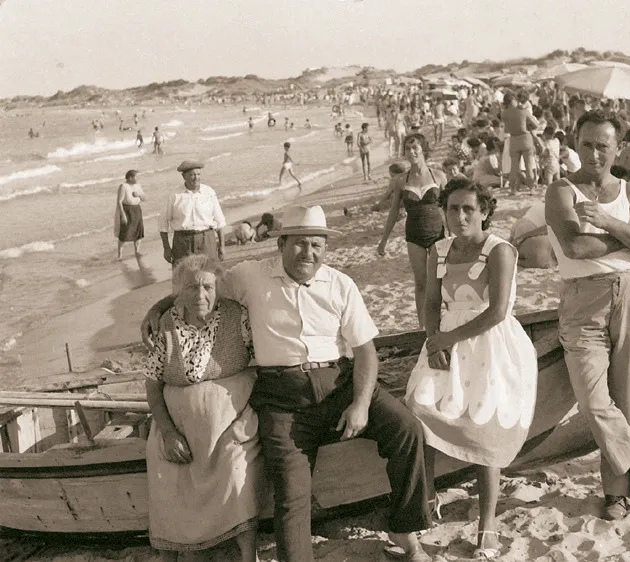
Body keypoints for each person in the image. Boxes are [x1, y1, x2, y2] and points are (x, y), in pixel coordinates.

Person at [142, 205, 433, 562]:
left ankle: (403, 526)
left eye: (316, 245)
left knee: (408, 430)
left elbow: (366, 352)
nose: (307, 253)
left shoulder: (341, 284)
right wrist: (156, 308)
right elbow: (200, 283)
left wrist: (359, 404)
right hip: (283, 403)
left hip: (340, 384)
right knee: (292, 497)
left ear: (325, 247)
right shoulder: (250, 276)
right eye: (298, 244)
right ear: (281, 245)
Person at [405, 178, 538, 558]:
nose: (459, 216)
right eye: (452, 208)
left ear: (484, 212)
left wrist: (449, 339)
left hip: (491, 344)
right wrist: (434, 340)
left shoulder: (499, 251)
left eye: (468, 209)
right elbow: (431, 302)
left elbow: (497, 311)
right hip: (445, 340)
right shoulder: (439, 250)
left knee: (485, 428)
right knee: (416, 413)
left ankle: (488, 522)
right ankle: (426, 499)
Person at [544, 109, 630, 521]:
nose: (594, 154)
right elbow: (575, 248)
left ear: (617, 148)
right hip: (582, 301)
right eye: (586, 145)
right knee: (594, 401)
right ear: (575, 146)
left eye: (602, 145)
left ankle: (619, 493)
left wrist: (611, 224)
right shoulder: (561, 190)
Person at [144, 254, 262, 562]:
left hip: (232, 424)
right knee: (168, 478)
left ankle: (248, 555)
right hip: (177, 429)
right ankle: (184, 551)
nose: (201, 295)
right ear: (178, 291)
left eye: (208, 287)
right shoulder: (166, 325)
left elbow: (263, 364)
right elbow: (153, 385)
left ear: (218, 287)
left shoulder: (238, 317)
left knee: (238, 474)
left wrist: (243, 419)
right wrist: (168, 432)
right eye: (192, 287)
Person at [378, 133, 447, 328]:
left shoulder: (439, 176)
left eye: (415, 147)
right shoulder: (401, 180)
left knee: (438, 282)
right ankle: (422, 326)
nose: (412, 152)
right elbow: (393, 212)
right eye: (408, 148)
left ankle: (441, 322)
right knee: (420, 283)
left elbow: (449, 208)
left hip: (438, 235)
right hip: (414, 236)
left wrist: (455, 236)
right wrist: (384, 240)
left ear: (424, 149)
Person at [158, 160, 226, 267]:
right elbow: (163, 223)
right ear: (183, 176)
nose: (196, 178)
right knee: (183, 278)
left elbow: (219, 220)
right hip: (183, 242)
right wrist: (166, 248)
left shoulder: (209, 192)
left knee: (209, 276)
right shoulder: (174, 196)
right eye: (192, 175)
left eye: (198, 174)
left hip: (207, 239)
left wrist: (222, 246)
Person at [501, 91, 539, 194]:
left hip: (513, 139)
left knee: (514, 167)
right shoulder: (523, 110)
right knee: (529, 165)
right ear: (514, 99)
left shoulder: (504, 113)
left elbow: (507, 129)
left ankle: (513, 189)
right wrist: (528, 126)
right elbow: (536, 125)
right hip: (525, 138)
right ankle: (531, 189)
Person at [509, 201, 555, 269]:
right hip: (527, 228)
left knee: (511, 249)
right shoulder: (560, 212)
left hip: (518, 224)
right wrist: (523, 237)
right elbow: (546, 228)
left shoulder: (544, 204)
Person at [115, 169, 145, 259]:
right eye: (136, 177)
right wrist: (123, 214)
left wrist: (139, 194)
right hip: (127, 210)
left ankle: (137, 251)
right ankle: (119, 255)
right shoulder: (123, 186)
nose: (138, 179)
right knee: (124, 233)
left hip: (137, 209)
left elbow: (145, 198)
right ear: (130, 178)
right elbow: (119, 201)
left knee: (138, 232)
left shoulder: (138, 186)